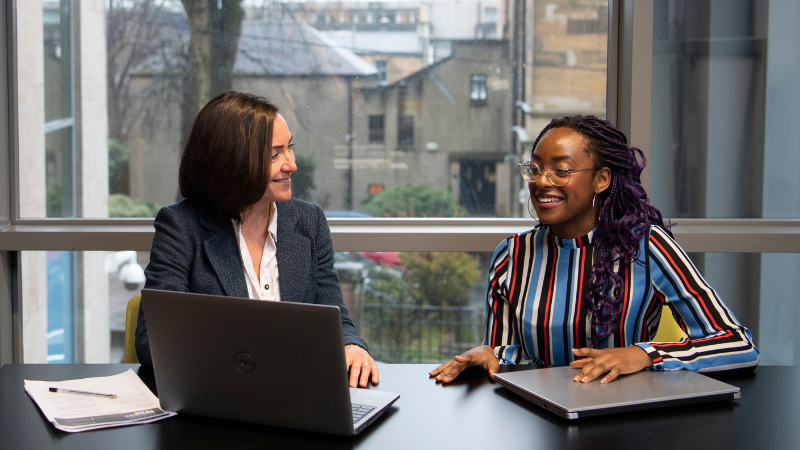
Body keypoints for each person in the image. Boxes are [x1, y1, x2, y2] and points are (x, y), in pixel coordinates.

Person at [430, 115, 759, 384]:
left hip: (621, 422)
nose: (542, 181)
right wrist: (490, 355)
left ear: (601, 179)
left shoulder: (647, 246)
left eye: (561, 170)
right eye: (535, 168)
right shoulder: (512, 255)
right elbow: (509, 353)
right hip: (534, 420)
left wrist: (644, 354)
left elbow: (739, 344)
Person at [135, 91, 378, 388]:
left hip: (299, 399)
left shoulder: (309, 222)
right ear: (232, 161)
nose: (291, 164)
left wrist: (352, 346)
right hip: (217, 401)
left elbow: (335, 316)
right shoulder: (182, 227)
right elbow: (152, 341)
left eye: (290, 148)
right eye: (275, 154)